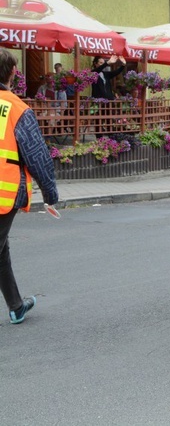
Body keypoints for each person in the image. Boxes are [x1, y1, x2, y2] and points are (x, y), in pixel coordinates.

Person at [0, 49, 59, 324]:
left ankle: (16, 305)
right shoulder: (17, 108)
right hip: (4, 192)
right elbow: (36, 155)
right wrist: (50, 193)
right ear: (12, 73)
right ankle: (15, 306)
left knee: (2, 249)